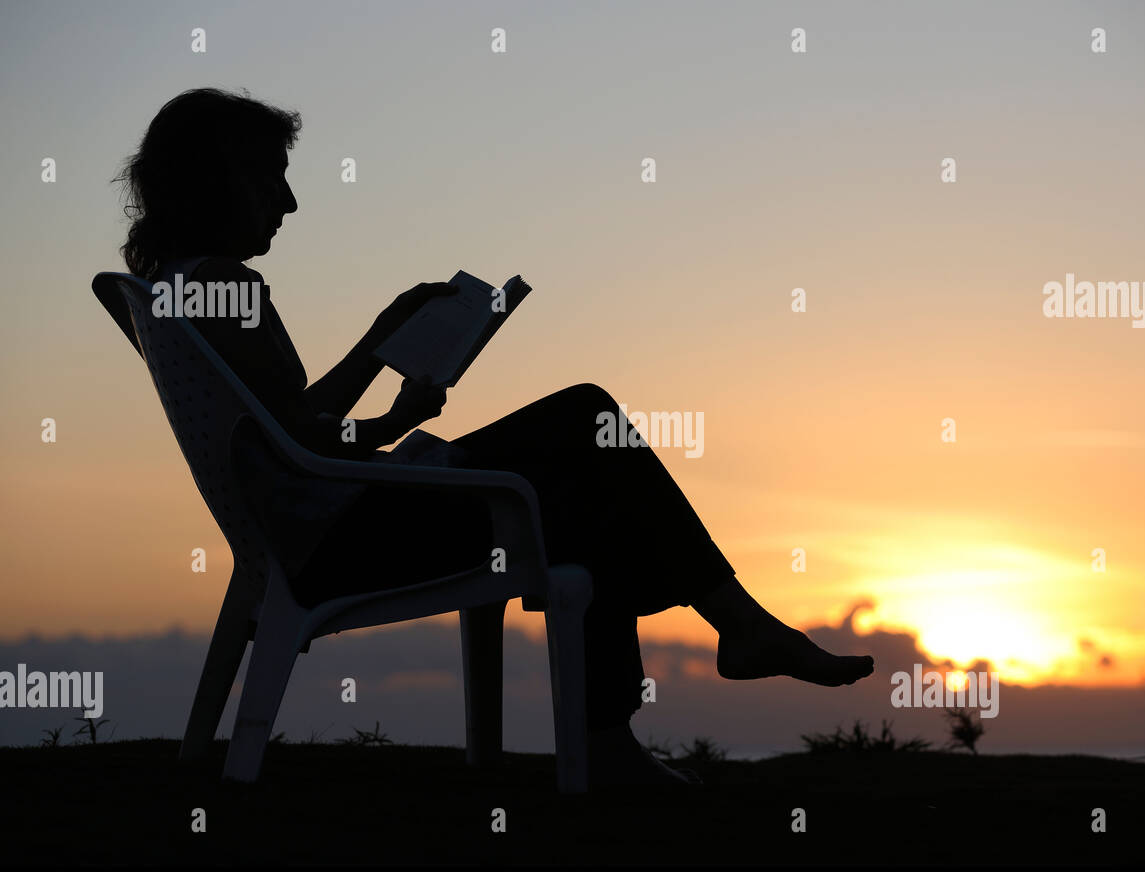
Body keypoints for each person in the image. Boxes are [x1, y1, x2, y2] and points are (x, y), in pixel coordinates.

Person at [115, 88, 875, 787]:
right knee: (587, 423)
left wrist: (388, 377)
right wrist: (384, 397)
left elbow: (287, 434)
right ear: (218, 180)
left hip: (322, 528)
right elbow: (302, 439)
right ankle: (708, 652)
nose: (288, 200)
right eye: (269, 178)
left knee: (587, 471)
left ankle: (687, 673)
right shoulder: (226, 285)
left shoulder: (179, 286)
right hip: (347, 541)